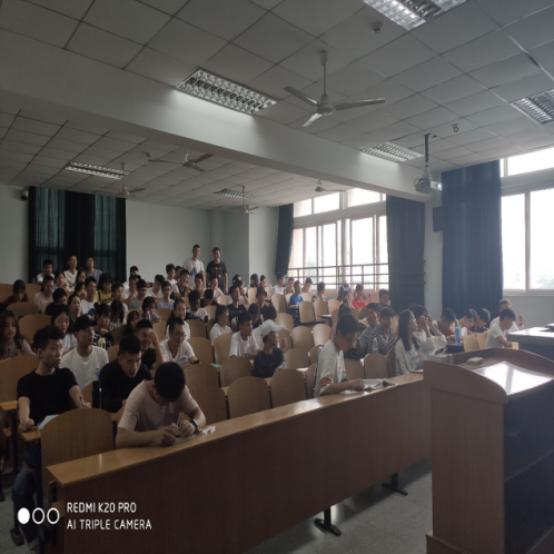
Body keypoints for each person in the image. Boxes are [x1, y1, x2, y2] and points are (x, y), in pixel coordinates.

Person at [13, 326, 88, 549]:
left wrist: (84, 406)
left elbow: (78, 397)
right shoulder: (26, 381)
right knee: (19, 489)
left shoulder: (65, 375)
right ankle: (33, 538)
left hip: (66, 444)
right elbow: (24, 408)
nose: (58, 353)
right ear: (39, 352)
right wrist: (24, 420)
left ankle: (56, 530)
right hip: (38, 446)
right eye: (53, 348)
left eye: (60, 347)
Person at [115, 361, 206, 448]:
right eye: (164, 400)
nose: (168, 404)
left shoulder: (179, 388)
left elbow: (200, 415)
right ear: (154, 387)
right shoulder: (138, 396)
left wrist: (193, 425)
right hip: (145, 453)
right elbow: (120, 439)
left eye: (171, 401)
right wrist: (154, 435)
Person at [314, 314, 364, 397]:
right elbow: (324, 389)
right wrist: (350, 384)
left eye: (353, 340)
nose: (351, 345)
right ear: (339, 333)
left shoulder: (340, 350)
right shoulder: (329, 352)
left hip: (335, 399)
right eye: (348, 340)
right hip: (324, 402)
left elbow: (342, 380)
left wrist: (354, 385)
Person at [98, 335, 151, 412]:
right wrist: (123, 403)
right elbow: (102, 402)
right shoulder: (107, 372)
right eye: (129, 361)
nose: (134, 367)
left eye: (138, 360)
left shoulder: (143, 370)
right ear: (120, 359)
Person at [61, 315, 109, 389]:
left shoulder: (102, 354)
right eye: (86, 330)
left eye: (92, 329)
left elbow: (106, 382)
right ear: (76, 334)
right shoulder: (66, 360)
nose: (91, 333)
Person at [395, 310, 423, 374]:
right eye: (413, 318)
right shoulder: (399, 345)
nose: (416, 320)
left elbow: (422, 360)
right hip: (407, 377)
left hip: (418, 374)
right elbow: (402, 369)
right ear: (407, 324)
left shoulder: (417, 339)